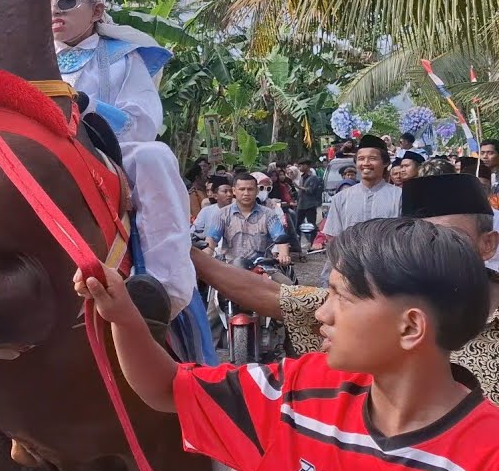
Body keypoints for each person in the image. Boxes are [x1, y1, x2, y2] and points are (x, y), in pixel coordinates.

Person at [81, 218, 499, 471]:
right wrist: (124, 317)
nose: (322, 313)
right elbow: (166, 388)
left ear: (410, 328)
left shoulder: (487, 460)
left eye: (342, 296)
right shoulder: (293, 392)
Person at [193, 172, 499, 403]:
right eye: (421, 238)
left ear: (488, 244)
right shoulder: (370, 309)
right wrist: (186, 254)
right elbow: (276, 297)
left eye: (449, 238)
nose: (431, 250)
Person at [41, 0, 197, 319]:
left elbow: (143, 122)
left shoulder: (124, 57)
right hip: (46, 149)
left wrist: (88, 107)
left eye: (66, 1)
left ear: (96, 11)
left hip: (109, 151)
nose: (54, 12)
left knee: (155, 157)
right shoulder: (32, 56)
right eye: (45, 4)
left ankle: (163, 289)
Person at [321, 134, 401, 283]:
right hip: (349, 272)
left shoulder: (399, 197)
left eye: (372, 158)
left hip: (388, 273)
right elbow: (333, 239)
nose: (366, 163)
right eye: (361, 158)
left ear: (385, 163)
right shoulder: (341, 198)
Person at [203, 173, 291, 267]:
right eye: (242, 189)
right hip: (230, 267)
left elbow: (280, 239)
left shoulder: (269, 214)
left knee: (285, 282)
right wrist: (204, 255)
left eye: (250, 189)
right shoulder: (222, 214)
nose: (246, 193)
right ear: (234, 191)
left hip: (263, 267)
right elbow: (211, 241)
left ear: (257, 191)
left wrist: (283, 255)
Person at [191, 174, 232, 239]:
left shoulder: (238, 211)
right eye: (225, 192)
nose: (229, 194)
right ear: (215, 196)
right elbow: (195, 230)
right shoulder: (206, 211)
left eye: (231, 191)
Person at [296, 160, 323, 242]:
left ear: (307, 166)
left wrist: (299, 187)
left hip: (310, 205)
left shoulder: (313, 178)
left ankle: (313, 243)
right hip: (301, 205)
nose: (300, 167)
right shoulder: (301, 177)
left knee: (311, 225)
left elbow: (311, 190)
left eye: (302, 165)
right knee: (297, 225)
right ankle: (297, 245)